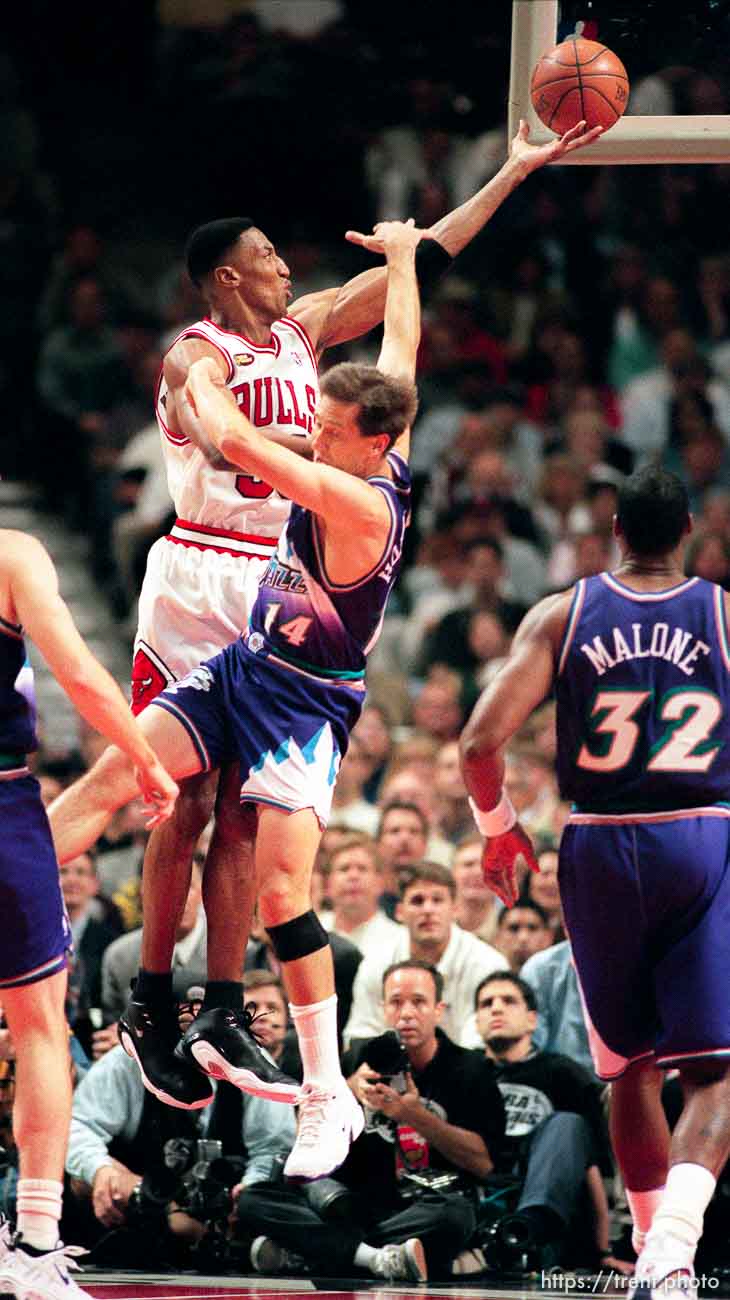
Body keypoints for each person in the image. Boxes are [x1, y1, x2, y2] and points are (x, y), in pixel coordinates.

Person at [118, 116, 601, 1143]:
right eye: (265, 257)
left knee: (244, 817)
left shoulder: (307, 331)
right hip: (201, 571)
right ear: (223, 279)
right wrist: (235, 428)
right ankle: (150, 994)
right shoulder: (194, 352)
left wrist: (512, 170)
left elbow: (419, 266)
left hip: (276, 584)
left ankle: (214, 1003)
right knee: (178, 796)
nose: (285, 264)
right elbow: (211, 415)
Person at [48, 218, 422, 1183]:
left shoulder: (352, 497)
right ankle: (139, 977)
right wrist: (408, 261)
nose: (319, 430)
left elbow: (244, 444)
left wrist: (214, 410)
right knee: (118, 774)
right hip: (239, 664)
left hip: (305, 703)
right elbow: (402, 345)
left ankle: (326, 1090)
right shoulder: (378, 440)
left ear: (366, 444)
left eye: (332, 429)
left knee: (288, 894)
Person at [460, 465, 730, 1295]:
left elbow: (477, 743)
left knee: (629, 1072)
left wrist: (501, 831)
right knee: (715, 1077)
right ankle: (672, 1254)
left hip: (597, 845)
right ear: (688, 530)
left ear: (615, 529)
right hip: (698, 834)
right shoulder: (723, 614)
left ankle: (651, 1247)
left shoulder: (561, 614)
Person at [0, 530, 176, 1300]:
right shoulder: (12, 554)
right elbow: (75, 670)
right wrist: (143, 755)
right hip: (3, 800)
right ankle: (36, 1243)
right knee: (39, 1023)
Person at [236, 959, 505, 1283]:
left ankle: (317, 1253)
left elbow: (483, 1164)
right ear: (383, 1009)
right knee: (254, 1199)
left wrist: (413, 1114)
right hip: (350, 1206)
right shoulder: (358, 1058)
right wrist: (346, 1090)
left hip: (418, 1208)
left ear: (439, 1010)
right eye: (396, 1002)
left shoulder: (471, 1069)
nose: (406, 1013)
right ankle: (378, 1258)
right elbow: (304, 1130)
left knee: (457, 1215)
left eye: (418, 1002)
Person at [474, 972, 623, 1274]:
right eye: (486, 1003)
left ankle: (530, 1229)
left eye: (509, 1001)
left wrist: (602, 1250)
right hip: (483, 1190)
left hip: (549, 1193)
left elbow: (591, 1166)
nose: (496, 1008)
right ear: (476, 1021)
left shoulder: (563, 1073)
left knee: (567, 1123)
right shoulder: (466, 1070)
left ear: (532, 1020)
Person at [344, 861, 507, 1048]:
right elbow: (359, 1034)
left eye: (437, 900)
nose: (428, 910)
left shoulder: (487, 964)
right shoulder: (376, 963)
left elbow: (480, 1044)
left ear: (455, 909)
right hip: (392, 1072)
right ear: (399, 912)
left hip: (466, 1071)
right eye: (417, 901)